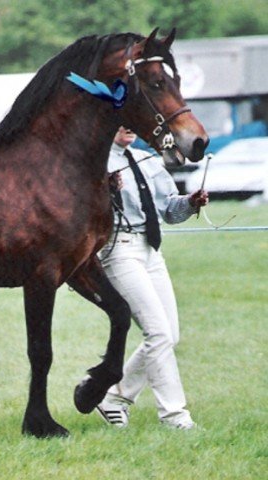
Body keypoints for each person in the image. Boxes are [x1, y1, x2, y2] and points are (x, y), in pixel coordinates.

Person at [96, 126, 208, 430]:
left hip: (151, 252)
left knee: (169, 334)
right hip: (118, 251)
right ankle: (175, 417)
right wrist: (103, 190)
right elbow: (83, 209)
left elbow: (169, 210)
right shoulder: (93, 160)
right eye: (120, 121)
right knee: (157, 334)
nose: (128, 126)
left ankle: (114, 397)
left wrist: (190, 202)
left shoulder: (147, 160)